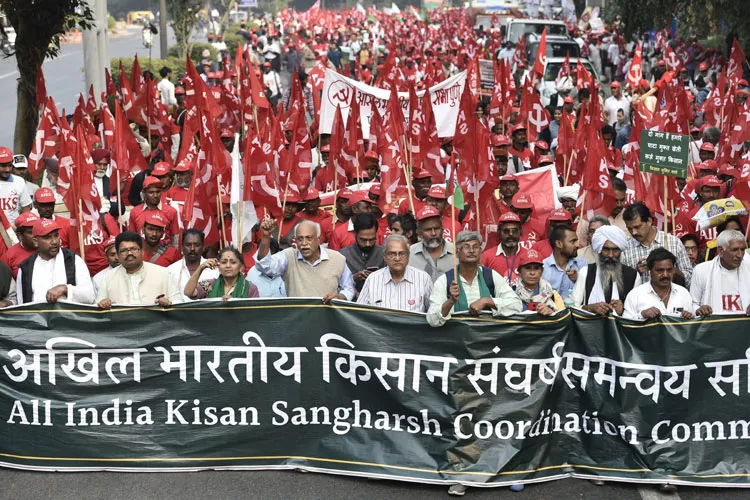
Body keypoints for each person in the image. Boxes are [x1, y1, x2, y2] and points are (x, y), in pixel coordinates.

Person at [427, 231, 522, 327]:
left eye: (475, 246)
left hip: (487, 336)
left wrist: (487, 301)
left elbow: (517, 305)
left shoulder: (490, 275)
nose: (471, 250)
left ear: (480, 251)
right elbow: (432, 320)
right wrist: (450, 301)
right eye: (466, 247)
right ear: (456, 252)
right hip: (456, 338)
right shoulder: (445, 280)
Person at [254, 219, 355, 302]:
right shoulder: (289, 256)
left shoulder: (337, 259)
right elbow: (265, 266)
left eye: (309, 238)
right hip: (298, 319)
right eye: (300, 239)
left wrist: (341, 297)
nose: (304, 243)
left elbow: (349, 288)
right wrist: (266, 236)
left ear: (318, 239)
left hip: (327, 319)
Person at [17, 219, 95, 304]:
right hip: (38, 317)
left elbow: (89, 296)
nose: (54, 241)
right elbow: (22, 304)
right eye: (47, 237)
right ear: (36, 241)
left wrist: (65, 289)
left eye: (56, 235)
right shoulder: (26, 268)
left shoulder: (73, 260)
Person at [96, 232, 181, 308]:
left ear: (142, 252)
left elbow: (179, 304)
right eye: (124, 250)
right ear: (118, 255)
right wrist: (102, 304)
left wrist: (169, 304)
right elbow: (97, 308)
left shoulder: (163, 274)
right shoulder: (108, 278)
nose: (129, 253)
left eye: (134, 249)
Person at [572, 225, 640, 315]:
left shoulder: (633, 275)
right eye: (606, 249)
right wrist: (588, 308)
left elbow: (638, 314)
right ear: (599, 250)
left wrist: (623, 310)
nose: (610, 255)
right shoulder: (586, 272)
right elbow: (572, 307)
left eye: (615, 250)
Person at [622, 202, 692, 288]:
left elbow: (689, 278)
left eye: (637, 227)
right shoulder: (625, 248)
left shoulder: (673, 242)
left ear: (649, 221)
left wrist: (668, 268)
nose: (634, 232)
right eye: (630, 229)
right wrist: (635, 274)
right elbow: (622, 284)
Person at [357, 234, 433, 312]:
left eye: (402, 254)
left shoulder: (423, 279)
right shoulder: (373, 280)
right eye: (392, 254)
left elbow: (434, 313)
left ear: (408, 255)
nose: (397, 258)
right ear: (384, 257)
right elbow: (359, 313)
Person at [623, 248, 695, 320]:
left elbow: (693, 323)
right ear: (650, 272)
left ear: (673, 270)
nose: (665, 275)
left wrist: (689, 316)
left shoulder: (683, 293)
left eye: (669, 270)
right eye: (660, 270)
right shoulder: (635, 295)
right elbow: (625, 324)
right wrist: (642, 315)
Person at [691, 229, 750, 316]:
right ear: (720, 251)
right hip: (714, 327)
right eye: (735, 250)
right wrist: (699, 310)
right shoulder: (701, 270)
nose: (740, 255)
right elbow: (692, 304)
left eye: (742, 249)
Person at [184, 247, 260, 300]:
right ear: (218, 266)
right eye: (224, 262)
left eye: (233, 262)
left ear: (241, 267)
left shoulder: (250, 288)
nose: (228, 266)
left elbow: (254, 314)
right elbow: (188, 292)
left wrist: (235, 303)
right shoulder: (210, 285)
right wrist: (201, 268)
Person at [167, 228, 220, 302]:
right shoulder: (171, 270)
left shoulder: (215, 270)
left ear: (203, 247)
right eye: (188, 245)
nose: (192, 248)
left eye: (197, 245)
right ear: (182, 247)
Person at [129, 175, 180, 245]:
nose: (155, 195)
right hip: (142, 254)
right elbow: (132, 239)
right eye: (151, 192)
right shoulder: (135, 212)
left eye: (158, 192)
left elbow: (175, 239)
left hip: (165, 253)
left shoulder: (171, 211)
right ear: (144, 193)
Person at [339, 213, 384, 293]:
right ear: (354, 234)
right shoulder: (342, 256)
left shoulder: (384, 254)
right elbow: (337, 285)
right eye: (363, 240)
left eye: (372, 240)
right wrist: (353, 278)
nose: (368, 244)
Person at [577, 177, 629, 246]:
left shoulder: (630, 216)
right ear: (605, 197)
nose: (619, 205)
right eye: (615, 200)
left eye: (622, 200)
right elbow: (580, 247)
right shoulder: (588, 217)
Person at [542, 224, 587, 303]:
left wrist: (579, 279)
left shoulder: (583, 265)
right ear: (559, 244)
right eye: (573, 241)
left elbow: (590, 294)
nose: (577, 245)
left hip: (576, 313)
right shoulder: (543, 267)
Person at [409, 206, 455, 282]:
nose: (433, 233)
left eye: (436, 229)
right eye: (428, 230)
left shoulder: (457, 252)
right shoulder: (409, 254)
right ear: (419, 233)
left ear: (443, 229)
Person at [481, 212, 527, 287]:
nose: (511, 234)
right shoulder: (486, 257)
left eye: (515, 231)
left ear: (520, 232)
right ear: (498, 232)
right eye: (506, 231)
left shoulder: (527, 255)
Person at [514, 250, 565, 315]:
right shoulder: (511, 294)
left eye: (536, 268)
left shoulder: (552, 294)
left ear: (542, 271)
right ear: (519, 271)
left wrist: (551, 312)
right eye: (528, 268)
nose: (532, 273)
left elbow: (562, 318)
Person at [0, 146, 32, 226]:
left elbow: (26, 209)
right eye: (3, 166)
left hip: (13, 232)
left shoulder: (19, 182)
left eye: (10, 166)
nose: (7, 170)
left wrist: (21, 229)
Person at [2, 211, 38, 278]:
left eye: (38, 230)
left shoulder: (47, 248)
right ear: (20, 236)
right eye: (31, 232)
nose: (36, 235)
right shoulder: (9, 255)